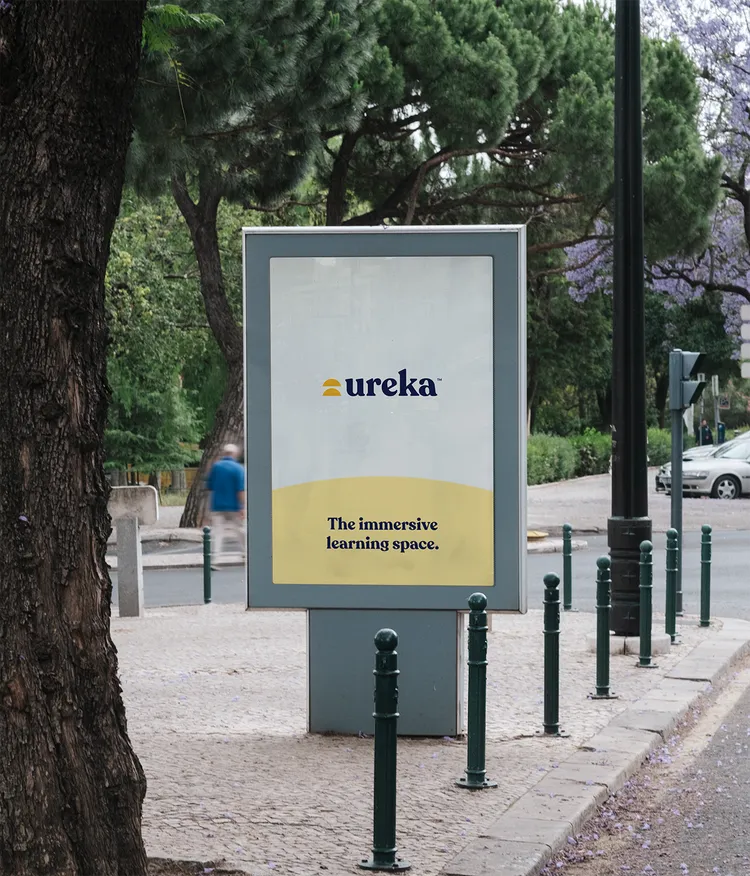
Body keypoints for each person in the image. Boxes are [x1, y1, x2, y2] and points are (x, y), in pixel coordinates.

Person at [206, 443, 246, 567]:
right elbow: (240, 490)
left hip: (217, 505)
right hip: (234, 506)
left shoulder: (216, 467)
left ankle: (215, 559)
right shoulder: (238, 468)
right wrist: (242, 506)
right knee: (240, 530)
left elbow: (210, 486)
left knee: (217, 533)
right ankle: (246, 553)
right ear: (235, 454)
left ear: (224, 453)